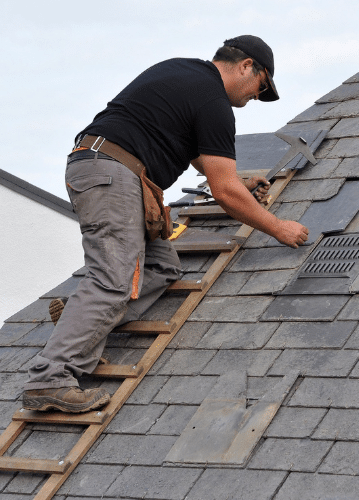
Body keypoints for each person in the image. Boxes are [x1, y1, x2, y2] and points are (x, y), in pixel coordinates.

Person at [23, 35, 309, 413]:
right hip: (115, 175)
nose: (258, 95)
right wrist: (278, 227)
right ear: (246, 66)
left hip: (103, 168)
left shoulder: (183, 73)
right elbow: (223, 192)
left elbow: (202, 160)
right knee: (114, 279)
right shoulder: (214, 102)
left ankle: (77, 320)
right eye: (262, 85)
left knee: (161, 267)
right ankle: (50, 379)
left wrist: (241, 180)